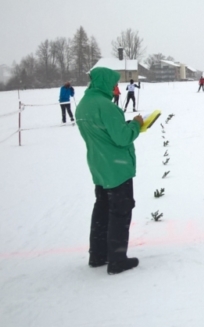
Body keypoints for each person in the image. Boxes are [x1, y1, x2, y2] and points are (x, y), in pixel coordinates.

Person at [76, 67, 143, 274]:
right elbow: (122, 138)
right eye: (114, 84)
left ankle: (98, 255)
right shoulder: (106, 106)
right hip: (117, 168)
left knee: (102, 210)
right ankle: (117, 260)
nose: (116, 89)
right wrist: (135, 125)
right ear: (105, 83)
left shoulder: (84, 104)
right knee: (120, 211)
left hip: (99, 166)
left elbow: (104, 132)